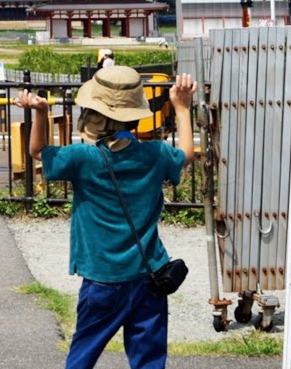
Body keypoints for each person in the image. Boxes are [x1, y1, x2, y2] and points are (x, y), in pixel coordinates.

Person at [15, 66, 196, 369]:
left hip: (102, 279)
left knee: (83, 355)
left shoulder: (83, 158)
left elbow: (37, 151)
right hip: (150, 274)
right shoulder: (155, 153)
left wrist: (41, 113)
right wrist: (182, 107)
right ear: (136, 113)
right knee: (149, 360)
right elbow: (187, 153)